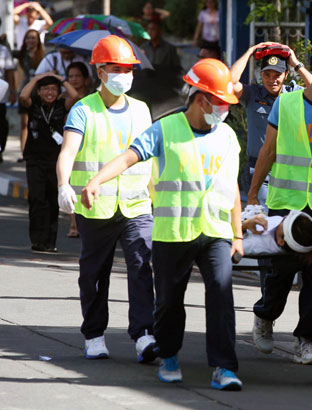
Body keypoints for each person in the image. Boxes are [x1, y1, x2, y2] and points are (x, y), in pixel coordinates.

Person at [80, 58, 244, 391]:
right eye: (221, 103)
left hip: (215, 232)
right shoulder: (165, 130)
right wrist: (97, 179)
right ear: (201, 99)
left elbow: (232, 187)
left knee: (221, 295)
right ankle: (169, 355)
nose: (225, 110)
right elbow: (129, 156)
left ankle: (224, 367)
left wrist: (237, 233)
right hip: (174, 234)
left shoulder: (227, 136)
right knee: (169, 301)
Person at [247, 32, 312, 365]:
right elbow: (268, 150)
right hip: (285, 202)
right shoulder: (287, 103)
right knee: (279, 274)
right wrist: (252, 195)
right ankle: (265, 315)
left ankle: (307, 340)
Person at [56, 35, 156, 363]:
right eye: (116, 68)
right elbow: (68, 150)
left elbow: (152, 158)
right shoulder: (84, 109)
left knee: (142, 266)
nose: (123, 75)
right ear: (100, 72)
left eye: (128, 69)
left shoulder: (142, 110)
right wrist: (63, 185)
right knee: (94, 273)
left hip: (137, 205)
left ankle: (143, 334)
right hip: (94, 206)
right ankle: (94, 334)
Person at [231, 41, 312, 206]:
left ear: (286, 75)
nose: (272, 80)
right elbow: (230, 83)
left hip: (288, 169)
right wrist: (250, 51)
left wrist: (295, 63)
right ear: (261, 75)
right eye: (267, 75)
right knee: (263, 220)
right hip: (258, 170)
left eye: (277, 75)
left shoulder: (294, 95)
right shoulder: (253, 94)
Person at [19, 72, 79, 252]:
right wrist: (37, 78)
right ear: (39, 91)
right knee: (37, 199)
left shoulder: (62, 105)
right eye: (45, 89)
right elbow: (23, 95)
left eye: (53, 89)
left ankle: (50, 243)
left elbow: (75, 96)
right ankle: (38, 240)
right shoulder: (34, 104)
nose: (50, 92)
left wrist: (61, 79)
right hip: (35, 159)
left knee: (53, 201)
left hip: (55, 159)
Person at [63, 61, 92, 238]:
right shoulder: (65, 98)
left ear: (86, 78)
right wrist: (62, 82)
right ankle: (74, 224)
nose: (74, 80)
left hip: (90, 143)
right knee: (72, 182)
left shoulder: (95, 97)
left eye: (77, 76)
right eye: (70, 76)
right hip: (71, 143)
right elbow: (73, 99)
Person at [15, 29, 45, 163]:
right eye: (28, 38)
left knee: (39, 123)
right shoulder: (22, 55)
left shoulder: (43, 56)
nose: (31, 41)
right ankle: (23, 152)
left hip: (39, 94)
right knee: (24, 123)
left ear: (38, 40)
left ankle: (37, 151)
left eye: (33, 38)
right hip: (24, 92)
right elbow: (9, 51)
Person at [242, 209, 312, 257]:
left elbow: (232, 245)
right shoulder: (277, 231)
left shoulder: (256, 244)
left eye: (284, 221)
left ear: (281, 241)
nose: (282, 219)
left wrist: (243, 226)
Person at [0, 39, 16, 163]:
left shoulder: (3, 50)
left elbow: (10, 72)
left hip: (1, 93)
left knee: (1, 124)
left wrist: (12, 92)